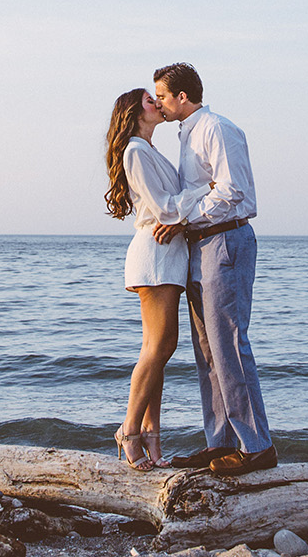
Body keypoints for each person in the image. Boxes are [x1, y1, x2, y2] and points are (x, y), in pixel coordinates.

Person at [150, 62, 277, 476]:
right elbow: (197, 191)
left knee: (229, 345)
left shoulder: (216, 128)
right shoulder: (189, 136)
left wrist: (183, 218)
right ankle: (220, 443)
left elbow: (232, 190)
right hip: (201, 245)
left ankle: (257, 446)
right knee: (207, 352)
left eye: (163, 97)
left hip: (226, 239)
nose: (159, 104)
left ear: (182, 97)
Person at [104, 87, 209, 470]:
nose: (158, 103)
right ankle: (129, 429)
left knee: (160, 351)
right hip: (155, 252)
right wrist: (208, 188)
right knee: (159, 346)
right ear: (135, 111)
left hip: (168, 253)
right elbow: (166, 209)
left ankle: (151, 434)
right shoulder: (135, 151)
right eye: (151, 100)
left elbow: (172, 206)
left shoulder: (148, 151)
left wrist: (181, 212)